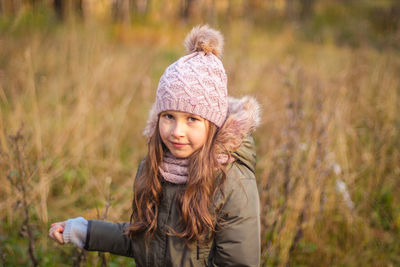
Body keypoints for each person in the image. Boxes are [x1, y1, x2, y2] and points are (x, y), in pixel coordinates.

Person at [49, 25, 261, 267]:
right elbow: (145, 240)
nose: (177, 132)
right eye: (168, 116)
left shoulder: (231, 181)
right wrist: (85, 231)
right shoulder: (154, 167)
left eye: (192, 119)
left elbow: (239, 262)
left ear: (213, 124)